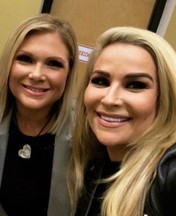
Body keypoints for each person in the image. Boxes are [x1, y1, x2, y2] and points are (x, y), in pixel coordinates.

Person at [0, 14, 79, 215]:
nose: (37, 74)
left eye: (53, 63)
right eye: (25, 59)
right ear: (9, 65)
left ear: (69, 73)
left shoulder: (86, 130)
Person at [68, 26, 176, 216]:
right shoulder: (93, 162)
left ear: (165, 98)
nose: (109, 99)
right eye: (101, 81)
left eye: (135, 85)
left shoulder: (169, 173)